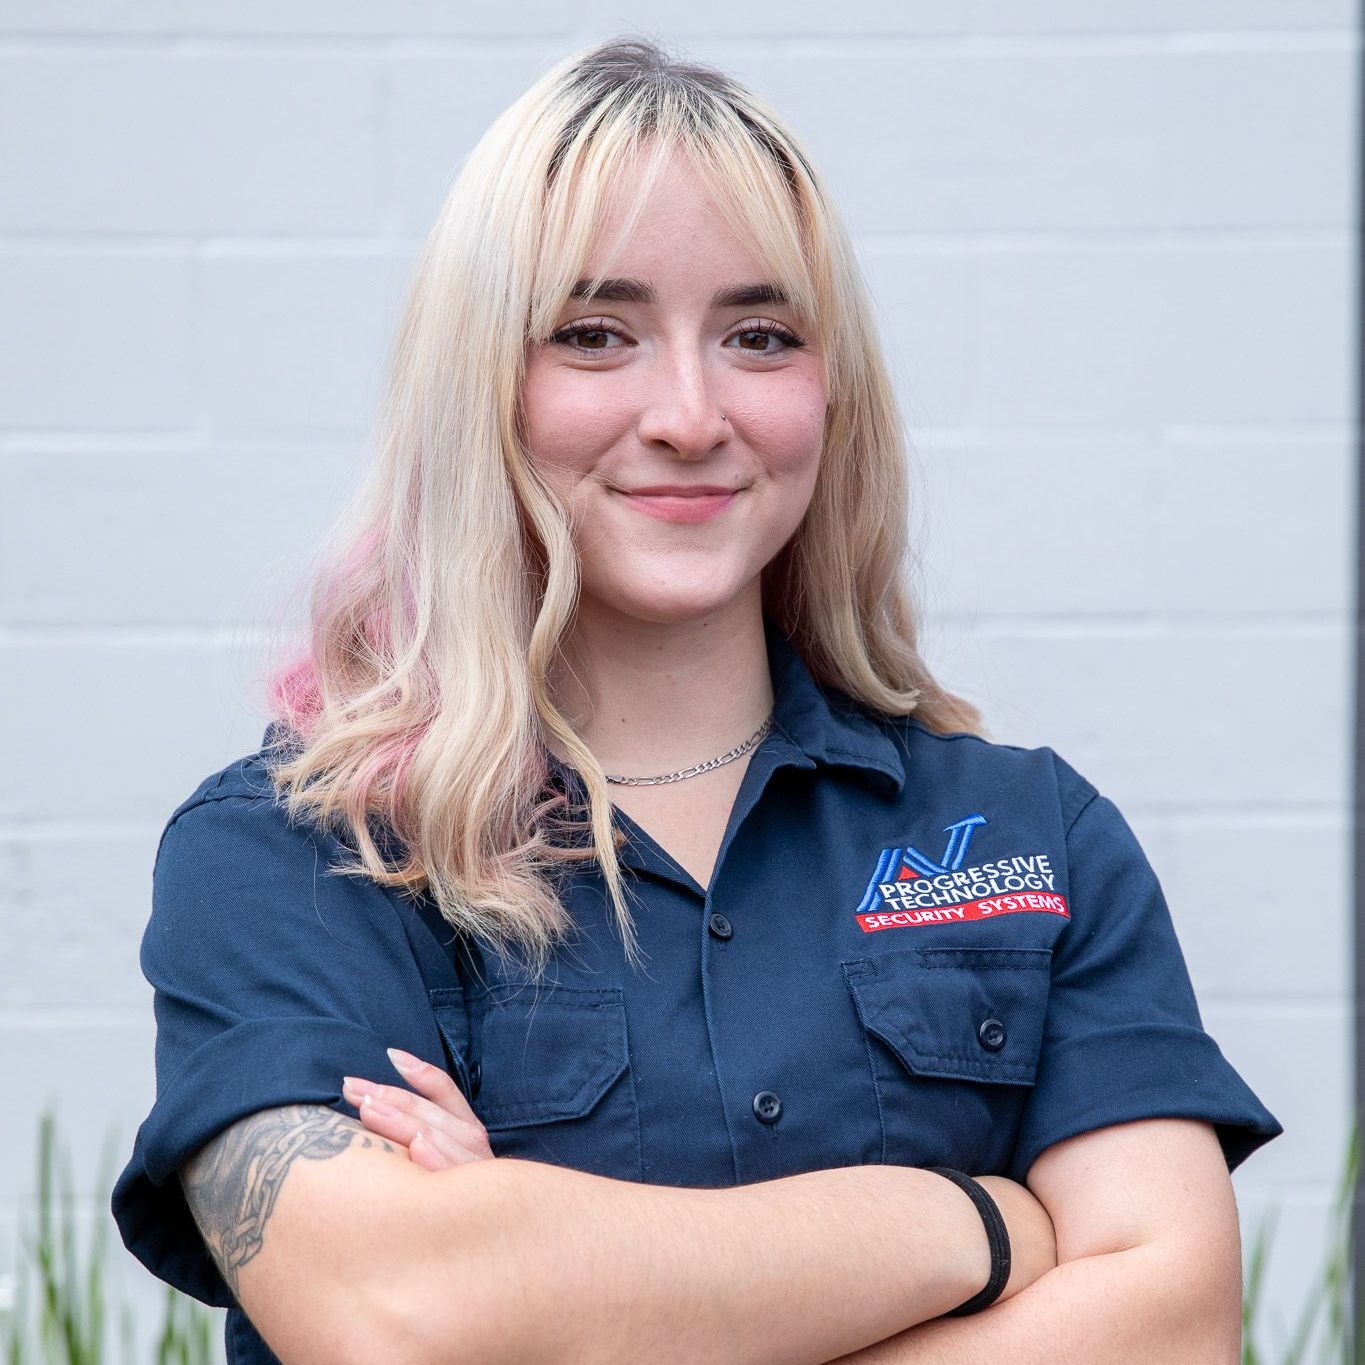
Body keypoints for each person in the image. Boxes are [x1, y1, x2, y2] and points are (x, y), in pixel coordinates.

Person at [111, 34, 1282, 1365]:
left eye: (759, 335)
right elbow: (400, 1313)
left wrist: (544, 1278)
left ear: (830, 394)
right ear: (478, 385)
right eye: (595, 334)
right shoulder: (300, 856)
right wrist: (980, 1227)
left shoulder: (1028, 836)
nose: (686, 411)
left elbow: (1170, 1325)